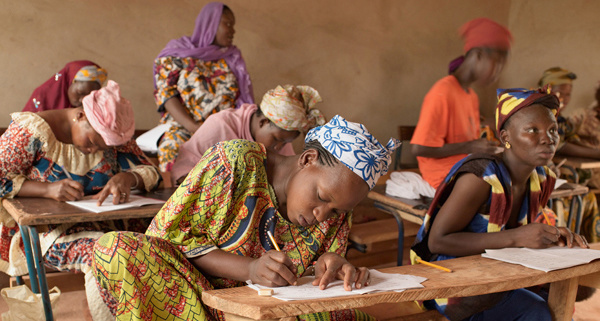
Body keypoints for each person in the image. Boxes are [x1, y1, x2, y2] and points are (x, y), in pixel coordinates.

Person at [93, 115, 399, 320]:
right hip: (196, 299)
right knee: (116, 249)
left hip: (266, 310)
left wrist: (332, 265)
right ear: (307, 160)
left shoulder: (334, 212)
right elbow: (168, 239)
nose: (323, 215)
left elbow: (314, 276)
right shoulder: (234, 163)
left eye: (337, 211)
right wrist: (249, 268)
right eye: (321, 198)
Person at [410, 87, 589, 321]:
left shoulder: (542, 178)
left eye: (553, 130)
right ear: (506, 138)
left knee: (570, 296)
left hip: (500, 270)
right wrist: (517, 237)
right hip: (451, 278)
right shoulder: (480, 177)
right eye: (532, 130)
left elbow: (517, 234)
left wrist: (553, 237)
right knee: (538, 312)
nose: (548, 138)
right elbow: (437, 241)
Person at [0, 80, 161, 320]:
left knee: (158, 245)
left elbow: (151, 172)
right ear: (81, 115)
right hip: (50, 232)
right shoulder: (30, 132)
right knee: (106, 255)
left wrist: (129, 177)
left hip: (113, 224)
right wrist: (46, 190)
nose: (97, 150)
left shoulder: (111, 131)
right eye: (94, 142)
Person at [410, 17, 510, 189]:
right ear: (478, 55)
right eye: (497, 63)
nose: (497, 73)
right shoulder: (443, 91)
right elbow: (419, 148)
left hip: (466, 169)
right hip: (444, 176)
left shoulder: (471, 95)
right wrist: (471, 146)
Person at [154, 2, 254, 172]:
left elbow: (243, 100)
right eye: (227, 24)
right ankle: (175, 196)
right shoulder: (177, 55)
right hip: (184, 128)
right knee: (172, 148)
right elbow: (166, 96)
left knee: (244, 156)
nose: (232, 30)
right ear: (211, 23)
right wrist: (195, 128)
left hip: (224, 129)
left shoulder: (231, 58)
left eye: (233, 25)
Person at [170, 84, 326, 184]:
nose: (279, 147)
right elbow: (183, 172)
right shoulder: (221, 125)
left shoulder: (280, 141)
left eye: (285, 143)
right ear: (264, 122)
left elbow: (288, 176)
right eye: (277, 140)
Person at [539, 67, 600, 244]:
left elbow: (570, 139)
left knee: (587, 197)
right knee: (569, 199)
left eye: (568, 94)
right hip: (538, 178)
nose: (564, 99)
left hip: (553, 175)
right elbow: (562, 146)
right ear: (548, 90)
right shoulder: (540, 116)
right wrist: (596, 153)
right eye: (560, 93)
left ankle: (588, 244)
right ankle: (564, 242)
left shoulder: (562, 120)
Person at [22, 60, 107, 112]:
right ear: (69, 81)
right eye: (80, 92)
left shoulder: (91, 111)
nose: (82, 100)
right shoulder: (41, 96)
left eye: (89, 96)